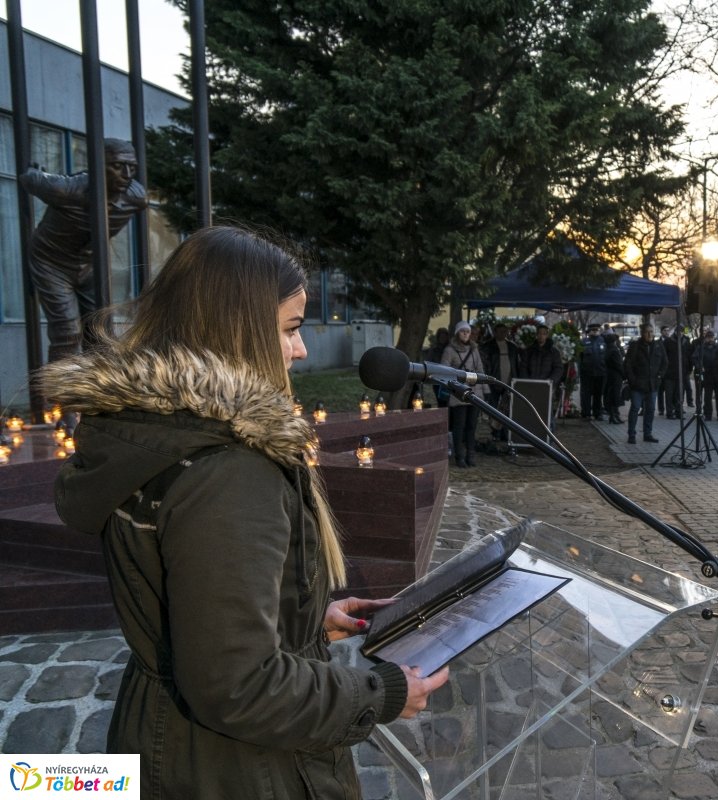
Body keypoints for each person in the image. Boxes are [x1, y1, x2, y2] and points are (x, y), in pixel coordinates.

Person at [37, 226, 448, 798]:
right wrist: (380, 693)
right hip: (232, 767)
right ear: (238, 330)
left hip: (172, 738)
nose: (301, 350)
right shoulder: (228, 469)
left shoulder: (158, 434)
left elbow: (199, 610)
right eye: (290, 328)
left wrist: (302, 622)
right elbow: (238, 685)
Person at [19, 139, 149, 362]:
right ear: (97, 164)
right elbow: (30, 180)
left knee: (100, 333)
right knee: (67, 332)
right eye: (117, 166)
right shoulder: (68, 189)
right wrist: (35, 173)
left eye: (132, 167)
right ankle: (57, 386)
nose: (127, 174)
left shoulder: (136, 197)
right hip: (51, 262)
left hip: (90, 264)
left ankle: (96, 383)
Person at [443, 321, 486, 467]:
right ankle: (459, 456)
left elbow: (480, 369)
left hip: (474, 392)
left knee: (471, 426)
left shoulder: (474, 350)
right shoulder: (449, 350)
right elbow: (445, 371)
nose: (466, 334)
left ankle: (470, 455)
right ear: (457, 333)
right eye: (463, 331)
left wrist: (485, 390)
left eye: (468, 331)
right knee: (459, 426)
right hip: (459, 393)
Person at [624, 323, 667, 444]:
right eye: (647, 332)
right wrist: (632, 380)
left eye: (651, 331)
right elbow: (628, 364)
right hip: (638, 384)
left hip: (652, 385)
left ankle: (647, 434)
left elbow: (665, 362)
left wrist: (659, 376)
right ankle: (631, 434)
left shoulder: (658, 345)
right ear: (642, 333)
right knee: (635, 408)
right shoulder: (635, 346)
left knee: (650, 410)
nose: (649, 334)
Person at [480, 322, 520, 442]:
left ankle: (505, 432)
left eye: (505, 331)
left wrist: (516, 379)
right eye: (501, 331)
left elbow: (516, 364)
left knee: (507, 409)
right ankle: (495, 432)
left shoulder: (512, 347)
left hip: (509, 382)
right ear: (495, 332)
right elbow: (485, 365)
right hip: (493, 382)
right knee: (493, 409)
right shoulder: (487, 346)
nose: (503, 333)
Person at [578, 322, 607, 421]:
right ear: (589, 331)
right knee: (586, 394)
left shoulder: (603, 341)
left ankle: (597, 413)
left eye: (596, 330)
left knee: (598, 394)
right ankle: (586, 413)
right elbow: (580, 358)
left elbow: (606, 357)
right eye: (593, 330)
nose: (595, 332)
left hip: (600, 373)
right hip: (587, 373)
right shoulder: (583, 342)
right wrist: (580, 371)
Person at [603, 331, 626, 424]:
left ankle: (614, 415)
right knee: (615, 396)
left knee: (611, 395)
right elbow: (619, 365)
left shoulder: (607, 349)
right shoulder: (614, 351)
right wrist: (624, 375)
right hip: (616, 376)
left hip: (609, 375)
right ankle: (614, 416)